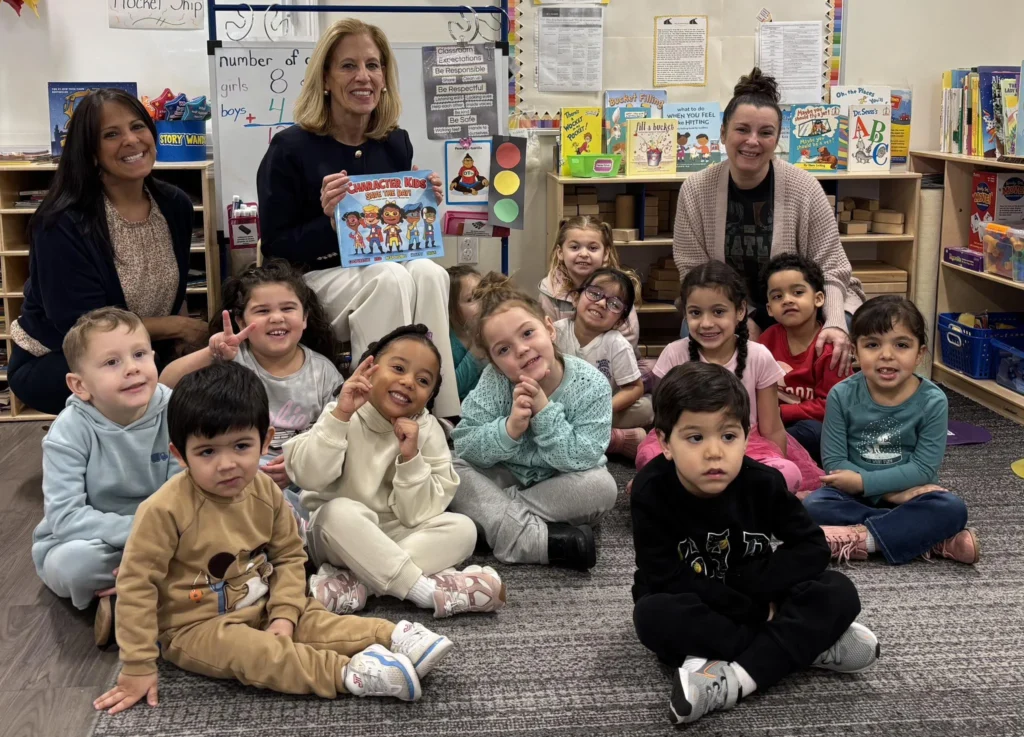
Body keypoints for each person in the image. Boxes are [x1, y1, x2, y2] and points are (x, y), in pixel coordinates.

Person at [93, 361, 456, 715]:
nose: (227, 464)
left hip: (264, 603)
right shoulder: (164, 510)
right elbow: (136, 586)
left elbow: (288, 556)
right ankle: (349, 673)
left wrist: (284, 613)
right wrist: (137, 666)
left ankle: (393, 636)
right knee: (258, 655)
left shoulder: (265, 490)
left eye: (241, 446)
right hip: (196, 627)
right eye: (207, 451)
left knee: (318, 620)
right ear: (180, 455)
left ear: (265, 441)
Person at [631, 362, 878, 725]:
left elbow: (812, 547)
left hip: (761, 592)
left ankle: (734, 679)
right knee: (652, 616)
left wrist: (757, 589)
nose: (714, 452)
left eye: (728, 436)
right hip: (696, 599)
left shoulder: (762, 482)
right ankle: (807, 646)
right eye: (695, 438)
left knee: (838, 590)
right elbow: (663, 574)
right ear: (666, 443)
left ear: (746, 438)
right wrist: (758, 613)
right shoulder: (651, 491)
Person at [256, 18, 459, 418]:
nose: (363, 76)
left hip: (381, 270)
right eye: (348, 66)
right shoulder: (290, 148)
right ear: (326, 79)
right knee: (389, 277)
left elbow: (395, 235)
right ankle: (373, 414)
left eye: (373, 65)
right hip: (313, 278)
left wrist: (420, 208)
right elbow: (276, 249)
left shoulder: (395, 142)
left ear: (384, 78)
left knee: (430, 273)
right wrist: (331, 225)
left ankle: (442, 414)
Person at [8, 89, 207, 416]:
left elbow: (176, 289)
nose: (131, 140)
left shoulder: (175, 205)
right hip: (63, 358)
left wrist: (186, 338)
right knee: (144, 388)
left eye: (138, 127)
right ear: (90, 152)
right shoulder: (61, 223)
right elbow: (83, 326)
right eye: (111, 134)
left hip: (144, 351)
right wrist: (179, 328)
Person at [283, 324, 502, 617]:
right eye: (398, 368)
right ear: (370, 369)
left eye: (423, 380)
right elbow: (310, 477)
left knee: (463, 529)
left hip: (397, 534)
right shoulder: (343, 412)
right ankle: (426, 592)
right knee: (338, 512)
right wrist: (340, 417)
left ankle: (358, 584)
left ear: (430, 395)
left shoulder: (427, 429)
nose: (408, 382)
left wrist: (411, 458)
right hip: (339, 537)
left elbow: (417, 515)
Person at [672, 67, 865, 375]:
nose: (752, 141)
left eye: (765, 133)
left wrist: (835, 322)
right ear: (723, 133)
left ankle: (811, 405)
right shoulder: (696, 189)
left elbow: (831, 266)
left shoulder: (804, 187)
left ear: (777, 139)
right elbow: (693, 270)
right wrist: (742, 316)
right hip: (727, 305)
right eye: (742, 130)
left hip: (799, 303)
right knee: (695, 340)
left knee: (834, 344)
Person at [158, 259, 342, 536]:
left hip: (300, 480)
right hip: (235, 474)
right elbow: (165, 385)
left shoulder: (323, 372)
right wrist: (212, 353)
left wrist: (298, 468)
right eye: (262, 310)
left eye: (288, 308)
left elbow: (335, 434)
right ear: (241, 321)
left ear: (305, 318)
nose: (276, 318)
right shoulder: (232, 358)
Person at [31, 308, 180, 646]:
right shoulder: (68, 431)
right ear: (80, 385)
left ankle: (128, 596)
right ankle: (159, 593)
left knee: (214, 535)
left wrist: (161, 540)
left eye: (140, 354)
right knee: (73, 566)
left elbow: (182, 493)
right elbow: (66, 517)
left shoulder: (176, 410)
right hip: (94, 541)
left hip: (166, 534)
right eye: (112, 362)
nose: (132, 368)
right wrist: (140, 537)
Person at [449, 274, 618, 571]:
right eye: (503, 350)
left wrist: (544, 411)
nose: (521, 349)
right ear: (495, 363)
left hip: (558, 484)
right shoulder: (495, 381)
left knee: (602, 487)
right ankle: (531, 538)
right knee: (449, 467)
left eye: (527, 333)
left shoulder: (592, 384)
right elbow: (465, 444)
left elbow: (581, 458)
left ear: (550, 329)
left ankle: (494, 520)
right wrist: (508, 430)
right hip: (506, 474)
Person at [803, 296, 979, 565]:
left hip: (912, 493)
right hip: (856, 493)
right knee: (813, 505)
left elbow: (923, 469)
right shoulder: (841, 395)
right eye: (872, 345)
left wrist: (866, 483)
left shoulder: (933, 400)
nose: (886, 354)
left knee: (952, 508)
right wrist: (886, 494)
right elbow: (835, 462)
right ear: (855, 351)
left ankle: (863, 540)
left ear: (920, 353)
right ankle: (930, 539)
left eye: (901, 345)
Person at [634, 261, 822, 495]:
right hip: (688, 443)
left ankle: (704, 491)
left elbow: (772, 427)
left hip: (743, 444)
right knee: (649, 459)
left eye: (718, 312)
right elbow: (664, 423)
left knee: (788, 473)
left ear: (740, 311)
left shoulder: (759, 356)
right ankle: (723, 491)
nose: (706, 323)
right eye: (695, 313)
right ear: (685, 315)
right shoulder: (674, 353)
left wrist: (774, 476)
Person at [553, 267, 651, 460]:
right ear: (576, 298)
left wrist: (602, 408)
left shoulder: (617, 344)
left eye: (614, 304)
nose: (601, 303)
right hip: (558, 407)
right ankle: (614, 440)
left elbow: (634, 387)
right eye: (594, 293)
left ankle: (579, 436)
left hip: (600, 410)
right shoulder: (555, 333)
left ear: (620, 321)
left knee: (645, 409)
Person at [757, 254, 843, 463]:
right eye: (777, 296)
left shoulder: (829, 349)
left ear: (818, 299)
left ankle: (767, 452)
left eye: (797, 292)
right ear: (769, 309)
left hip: (814, 425)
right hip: (773, 421)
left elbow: (831, 406)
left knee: (813, 432)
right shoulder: (767, 340)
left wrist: (781, 412)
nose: (787, 300)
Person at [539, 216, 641, 354]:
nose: (583, 254)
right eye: (574, 247)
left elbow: (629, 336)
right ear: (560, 252)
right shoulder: (550, 290)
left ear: (605, 253)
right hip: (565, 360)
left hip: (612, 360)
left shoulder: (618, 288)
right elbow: (548, 336)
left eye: (592, 248)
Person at [446, 265, 487, 401]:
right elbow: (449, 391)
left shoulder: (492, 331)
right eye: (471, 299)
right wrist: (475, 354)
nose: (482, 303)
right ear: (450, 309)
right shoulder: (447, 344)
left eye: (483, 294)